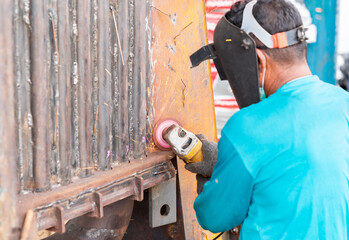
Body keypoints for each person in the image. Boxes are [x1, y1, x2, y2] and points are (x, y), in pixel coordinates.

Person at [187, 0, 349, 239]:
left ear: (259, 61)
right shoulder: (343, 103)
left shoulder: (248, 126)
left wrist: (216, 180)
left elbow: (214, 217)